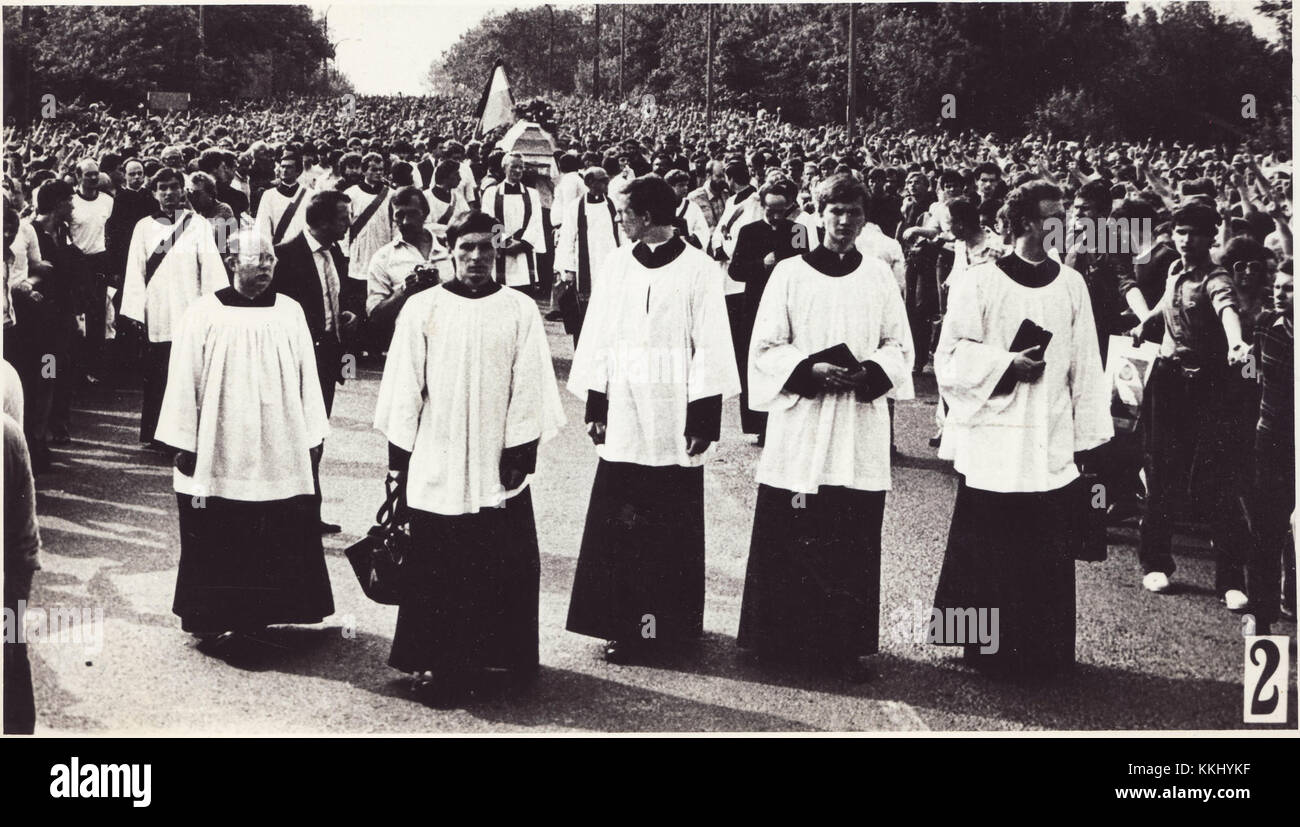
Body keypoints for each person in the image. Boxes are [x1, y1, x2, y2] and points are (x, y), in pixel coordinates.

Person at [373, 210, 565, 701]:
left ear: (497, 251)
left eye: (486, 248)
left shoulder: (518, 309)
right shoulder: (423, 307)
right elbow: (403, 387)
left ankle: (498, 657)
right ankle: (433, 660)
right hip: (437, 457)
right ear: (450, 249)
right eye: (467, 248)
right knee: (436, 564)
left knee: (500, 560)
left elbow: (532, 385)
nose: (477, 257)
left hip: (496, 459)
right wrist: (402, 459)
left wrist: (519, 450)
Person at [932, 180, 1112, 678]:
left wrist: (1089, 443)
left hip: (1047, 434)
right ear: (1028, 222)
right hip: (995, 432)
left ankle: (1042, 649)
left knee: (1043, 544)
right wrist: (1007, 363)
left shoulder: (1072, 284)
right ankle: (980, 650)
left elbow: (1086, 364)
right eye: (1056, 214)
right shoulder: (979, 281)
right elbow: (950, 357)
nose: (1068, 222)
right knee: (988, 539)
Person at [738, 174, 914, 681]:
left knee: (849, 534)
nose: (843, 222)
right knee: (793, 528)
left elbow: (900, 345)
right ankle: (778, 641)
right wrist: (809, 370)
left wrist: (870, 373)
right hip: (803, 420)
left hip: (857, 420)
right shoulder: (790, 274)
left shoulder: (879, 276)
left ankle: (840, 646)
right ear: (818, 215)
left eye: (854, 213)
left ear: (864, 218)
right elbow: (765, 347)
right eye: (835, 212)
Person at [565, 175, 741, 664]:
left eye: (623, 213)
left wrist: (704, 414)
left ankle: (670, 627)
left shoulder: (700, 270)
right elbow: (599, 334)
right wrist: (596, 401)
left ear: (645, 217)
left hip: (672, 409)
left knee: (669, 520)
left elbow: (711, 343)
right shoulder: (618, 264)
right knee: (623, 519)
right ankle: (625, 624)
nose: (618, 220)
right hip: (624, 409)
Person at [154, 228, 333, 641]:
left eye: (271, 259)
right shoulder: (203, 313)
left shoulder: (290, 311)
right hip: (222, 446)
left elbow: (310, 376)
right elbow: (184, 380)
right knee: (223, 526)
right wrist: (185, 442)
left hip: (279, 442)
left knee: (276, 524)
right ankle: (218, 615)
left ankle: (267, 613)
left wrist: (313, 434)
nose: (267, 267)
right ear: (232, 263)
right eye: (258, 259)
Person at [1135, 202, 1253, 610]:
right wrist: (1144, 323)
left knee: (1217, 481)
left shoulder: (1216, 277)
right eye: (1180, 232)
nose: (1186, 241)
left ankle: (1231, 581)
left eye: (1195, 234)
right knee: (1160, 473)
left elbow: (1226, 309)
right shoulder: (1173, 270)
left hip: (1209, 387)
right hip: (1167, 382)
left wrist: (1236, 343)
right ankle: (1156, 563)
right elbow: (1166, 305)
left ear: (1210, 236)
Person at [271, 190, 363, 534]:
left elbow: (340, 297)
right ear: (322, 221)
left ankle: (308, 513)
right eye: (343, 218)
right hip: (294, 363)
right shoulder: (284, 256)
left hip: (326, 360)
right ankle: (288, 514)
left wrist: (348, 317)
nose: (349, 223)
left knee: (316, 437)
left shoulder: (335, 252)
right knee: (292, 438)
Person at [119, 168, 227, 449]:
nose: (168, 193)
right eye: (162, 188)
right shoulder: (143, 227)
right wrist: (135, 312)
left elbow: (212, 272)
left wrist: (210, 311)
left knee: (187, 374)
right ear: (154, 192)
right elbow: (135, 271)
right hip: (157, 312)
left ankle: (186, 436)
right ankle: (156, 435)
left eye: (174, 187)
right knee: (158, 373)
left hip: (189, 310)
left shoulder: (199, 225)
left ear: (183, 190)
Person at [728, 178, 800, 442]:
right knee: (756, 364)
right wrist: (761, 263)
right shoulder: (749, 231)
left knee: (786, 363)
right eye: (770, 209)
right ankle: (759, 425)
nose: (776, 215)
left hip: (789, 306)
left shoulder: (797, 231)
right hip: (755, 306)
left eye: (781, 210)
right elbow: (735, 270)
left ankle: (784, 422)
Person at [1245, 263, 1294, 635]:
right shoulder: (1265, 327)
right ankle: (1261, 617)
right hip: (1269, 443)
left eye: (1290, 288)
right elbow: (1249, 377)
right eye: (1278, 286)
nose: (1280, 293)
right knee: (1267, 530)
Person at [366, 186, 449, 347]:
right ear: (393, 218)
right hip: (408, 345)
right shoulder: (382, 259)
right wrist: (404, 291)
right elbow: (375, 316)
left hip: (449, 341)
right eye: (399, 215)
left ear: (425, 213)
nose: (406, 222)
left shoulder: (450, 250)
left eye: (412, 214)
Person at [554, 167, 620, 345]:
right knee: (583, 316)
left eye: (607, 180)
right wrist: (568, 269)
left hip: (609, 265)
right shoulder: (576, 207)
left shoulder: (613, 205)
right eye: (602, 180)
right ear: (589, 183)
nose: (606, 184)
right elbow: (567, 238)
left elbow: (621, 235)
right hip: (585, 269)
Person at [481, 153, 547, 290]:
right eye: (514, 167)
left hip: (524, 252)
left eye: (521, 167)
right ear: (504, 168)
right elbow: (488, 220)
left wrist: (522, 243)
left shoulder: (532, 194)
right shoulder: (491, 193)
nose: (518, 171)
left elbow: (536, 222)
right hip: (500, 252)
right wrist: (504, 243)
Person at [344, 152, 396, 282]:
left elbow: (395, 225)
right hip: (359, 250)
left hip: (383, 246)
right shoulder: (351, 194)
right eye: (374, 169)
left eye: (381, 170)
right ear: (364, 171)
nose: (378, 173)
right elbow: (344, 225)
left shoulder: (391, 195)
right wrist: (345, 252)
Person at [253, 153, 309, 247]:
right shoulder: (268, 195)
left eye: (289, 167)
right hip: (278, 250)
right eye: (282, 167)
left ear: (298, 171)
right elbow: (262, 227)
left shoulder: (310, 195)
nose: (285, 170)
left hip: (303, 250)